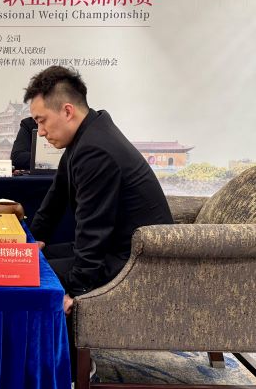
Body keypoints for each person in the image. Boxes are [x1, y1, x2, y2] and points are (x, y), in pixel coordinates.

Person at [24, 65, 173, 375]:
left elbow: (94, 230)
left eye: (41, 120)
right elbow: (55, 199)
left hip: (134, 262)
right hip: (114, 249)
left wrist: (76, 291)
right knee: (31, 262)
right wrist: (32, 242)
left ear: (67, 111)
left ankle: (71, 366)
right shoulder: (87, 134)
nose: (41, 131)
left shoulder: (96, 149)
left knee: (34, 278)